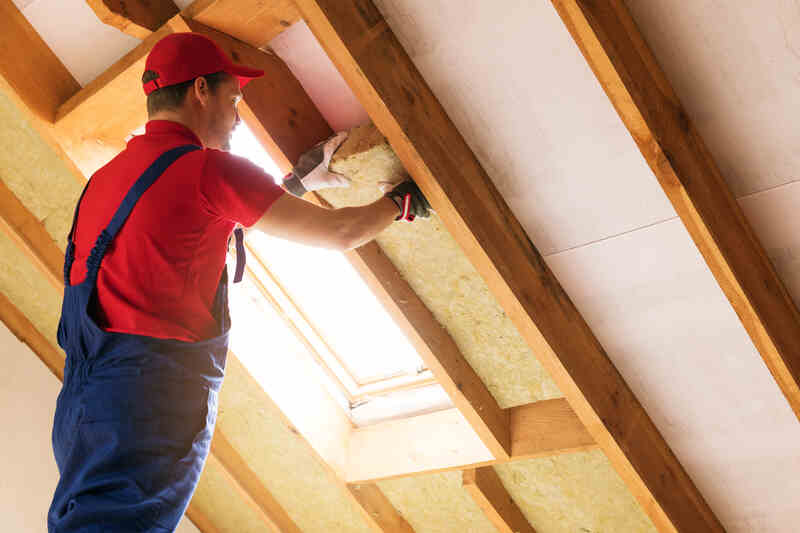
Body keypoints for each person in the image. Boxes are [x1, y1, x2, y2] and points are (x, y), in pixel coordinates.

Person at [48, 32, 430, 533]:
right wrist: (402, 201)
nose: (236, 117)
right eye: (234, 99)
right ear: (201, 90)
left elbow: (185, 234)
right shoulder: (210, 171)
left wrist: (290, 187)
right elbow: (340, 232)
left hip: (83, 409)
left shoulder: (106, 178)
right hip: (150, 405)